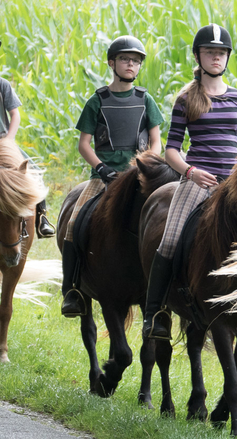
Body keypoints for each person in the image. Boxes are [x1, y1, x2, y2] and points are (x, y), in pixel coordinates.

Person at [141, 24, 237, 340]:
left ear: (227, 58)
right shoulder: (187, 98)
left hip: (234, 185)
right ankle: (155, 313)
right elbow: (172, 149)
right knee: (170, 240)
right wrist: (190, 173)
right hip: (197, 182)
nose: (216, 57)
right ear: (198, 56)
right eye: (210, 52)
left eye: (221, 52)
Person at [61, 35, 164, 317]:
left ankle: (167, 294)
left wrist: (144, 164)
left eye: (136, 61)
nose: (131, 65)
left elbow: (157, 141)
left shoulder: (146, 100)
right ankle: (70, 289)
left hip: (139, 175)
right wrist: (102, 169)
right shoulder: (97, 101)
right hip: (104, 176)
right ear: (112, 63)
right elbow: (84, 144)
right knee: (73, 222)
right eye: (124, 59)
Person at [0, 40, 55, 238]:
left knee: (31, 170)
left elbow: (15, 114)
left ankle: (42, 218)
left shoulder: (2, 85)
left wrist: (9, 139)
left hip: (3, 142)